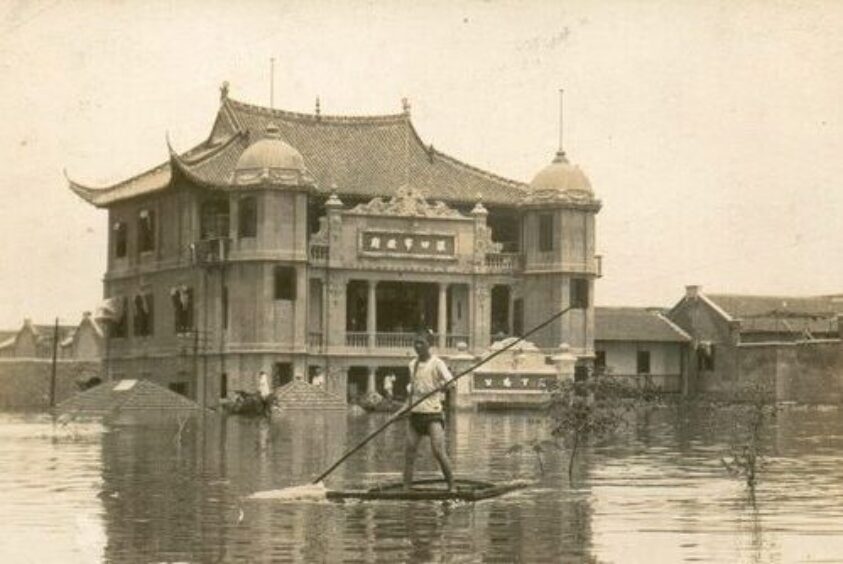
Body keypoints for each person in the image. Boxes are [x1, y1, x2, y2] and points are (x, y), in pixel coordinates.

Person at [403, 329, 455, 491]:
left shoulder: (437, 363)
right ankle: (406, 487)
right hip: (416, 413)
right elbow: (412, 391)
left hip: (432, 414)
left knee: (438, 450)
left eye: (421, 343)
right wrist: (405, 408)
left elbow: (451, 383)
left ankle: (452, 486)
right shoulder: (413, 364)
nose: (418, 346)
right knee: (409, 452)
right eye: (416, 343)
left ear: (429, 345)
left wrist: (443, 386)